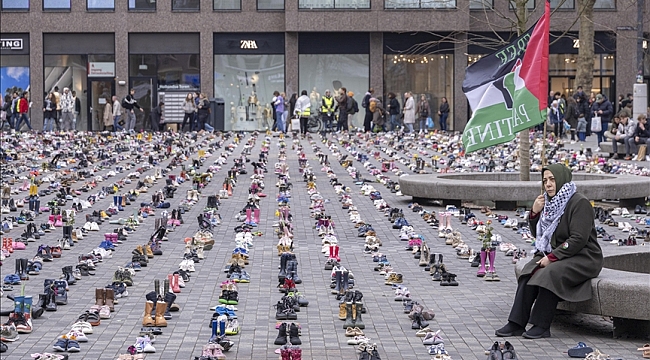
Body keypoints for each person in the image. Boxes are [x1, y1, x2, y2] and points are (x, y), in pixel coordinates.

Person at [495, 164, 603, 339]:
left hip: (583, 256)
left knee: (549, 273)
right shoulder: (548, 202)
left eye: (552, 179)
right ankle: (516, 323)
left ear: (562, 179)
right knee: (528, 272)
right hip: (557, 252)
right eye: (545, 180)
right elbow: (538, 235)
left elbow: (578, 239)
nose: (548, 184)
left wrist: (552, 258)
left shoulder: (579, 202)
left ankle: (541, 325)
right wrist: (534, 213)